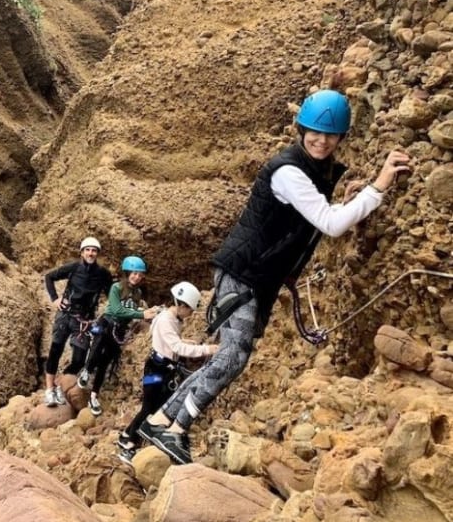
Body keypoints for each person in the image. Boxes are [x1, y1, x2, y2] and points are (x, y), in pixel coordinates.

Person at [138, 89, 412, 464]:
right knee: (232, 358)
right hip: (245, 273)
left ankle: (159, 421)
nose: (321, 140)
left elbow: (308, 218)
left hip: (254, 275)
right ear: (302, 130)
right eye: (315, 132)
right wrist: (377, 187)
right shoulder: (289, 171)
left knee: (229, 356)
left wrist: (349, 201)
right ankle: (176, 430)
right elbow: (330, 223)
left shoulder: (311, 169)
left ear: (341, 137)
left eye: (331, 135)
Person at [116, 281, 217, 464]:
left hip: (162, 366)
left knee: (154, 407)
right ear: (181, 305)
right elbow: (177, 347)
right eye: (190, 310)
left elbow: (170, 340)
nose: (191, 314)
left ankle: (126, 434)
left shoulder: (170, 317)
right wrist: (207, 349)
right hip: (158, 369)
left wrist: (184, 341)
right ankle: (129, 444)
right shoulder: (166, 320)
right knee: (150, 409)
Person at [78, 255, 158, 416]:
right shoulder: (116, 287)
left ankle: (93, 396)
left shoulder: (138, 293)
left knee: (105, 361)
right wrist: (141, 314)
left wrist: (147, 314)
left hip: (119, 329)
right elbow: (116, 310)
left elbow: (131, 312)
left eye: (140, 274)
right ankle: (87, 370)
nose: (137, 277)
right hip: (107, 322)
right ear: (127, 273)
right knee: (97, 345)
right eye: (134, 273)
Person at [42, 236, 113, 407]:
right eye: (87, 250)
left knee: (79, 360)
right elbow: (49, 277)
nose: (90, 253)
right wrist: (55, 298)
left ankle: (60, 385)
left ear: (97, 253)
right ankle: (49, 390)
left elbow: (112, 294)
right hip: (65, 315)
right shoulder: (73, 267)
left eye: (94, 250)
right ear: (82, 252)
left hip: (84, 321)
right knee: (55, 351)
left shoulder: (103, 274)